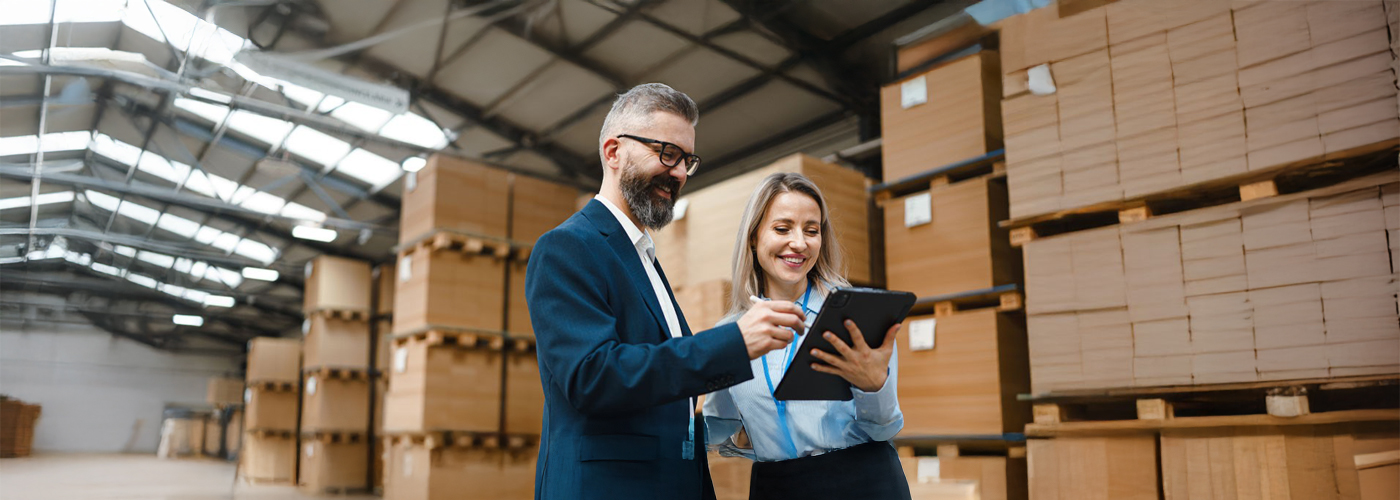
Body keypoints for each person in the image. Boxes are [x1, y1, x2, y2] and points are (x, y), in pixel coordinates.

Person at [524, 83, 810, 500]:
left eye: (687, 160)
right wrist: (732, 343)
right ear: (613, 152)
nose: (678, 173)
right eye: (667, 153)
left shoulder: (642, 257)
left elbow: (667, 393)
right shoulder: (568, 247)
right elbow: (592, 377)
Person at [703, 172, 911, 500]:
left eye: (811, 231)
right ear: (754, 237)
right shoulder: (730, 334)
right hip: (775, 486)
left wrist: (874, 388)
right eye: (782, 228)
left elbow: (884, 428)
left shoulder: (855, 316)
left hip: (862, 483)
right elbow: (716, 427)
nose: (799, 243)